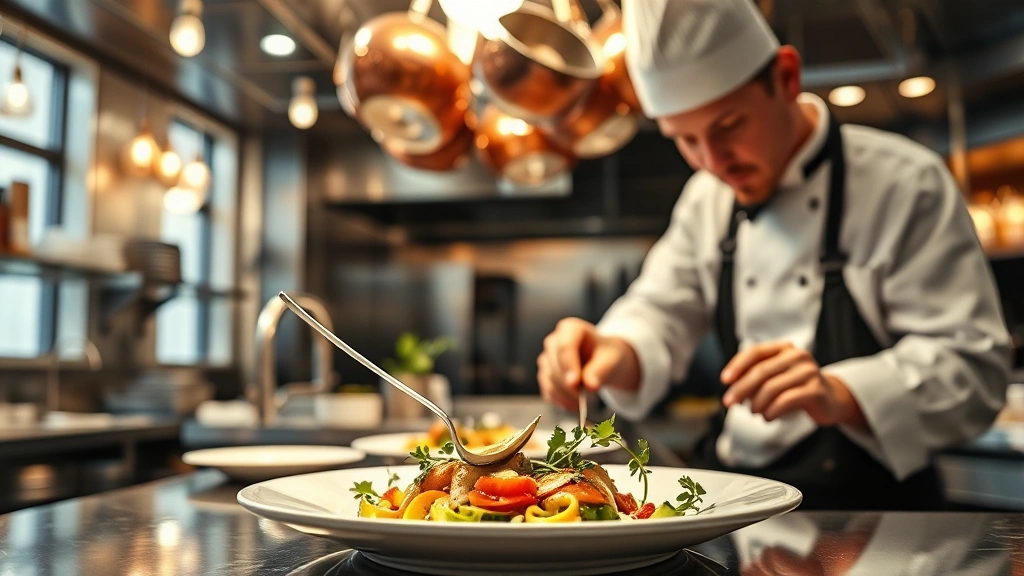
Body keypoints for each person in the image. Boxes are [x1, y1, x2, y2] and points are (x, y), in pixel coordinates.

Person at [536, 0, 1012, 509]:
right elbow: (660, 311)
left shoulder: (905, 184)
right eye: (685, 140)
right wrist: (613, 351)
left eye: (728, 127)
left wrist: (839, 392)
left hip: (876, 517)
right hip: (738, 504)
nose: (713, 162)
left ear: (786, 77)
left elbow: (975, 369)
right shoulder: (707, 197)